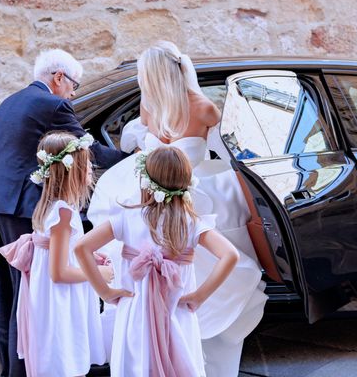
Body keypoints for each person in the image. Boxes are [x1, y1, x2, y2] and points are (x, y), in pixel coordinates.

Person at [88, 41, 268, 376]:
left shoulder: (150, 106)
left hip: (146, 192)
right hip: (190, 197)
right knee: (220, 243)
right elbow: (229, 156)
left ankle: (147, 342)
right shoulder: (204, 107)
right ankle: (195, 327)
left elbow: (138, 143)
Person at [0, 49, 127, 377]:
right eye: (74, 85)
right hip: (20, 207)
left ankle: (9, 370)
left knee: (6, 295)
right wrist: (133, 160)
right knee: (25, 299)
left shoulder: (9, 102)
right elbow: (87, 149)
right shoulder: (53, 104)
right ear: (58, 78)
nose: (73, 93)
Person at [75, 147, 239, 377]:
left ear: (146, 181)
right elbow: (230, 255)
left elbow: (81, 247)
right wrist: (199, 296)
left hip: (135, 313)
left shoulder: (127, 217)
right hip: (177, 311)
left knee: (136, 364)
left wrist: (105, 292)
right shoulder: (190, 223)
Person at [0, 132, 110, 377]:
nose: (91, 166)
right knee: (66, 361)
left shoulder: (53, 205)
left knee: (64, 361)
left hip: (54, 295)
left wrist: (90, 257)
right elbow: (59, 273)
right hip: (60, 299)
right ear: (73, 170)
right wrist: (98, 273)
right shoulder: (63, 213)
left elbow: (64, 250)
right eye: (86, 162)